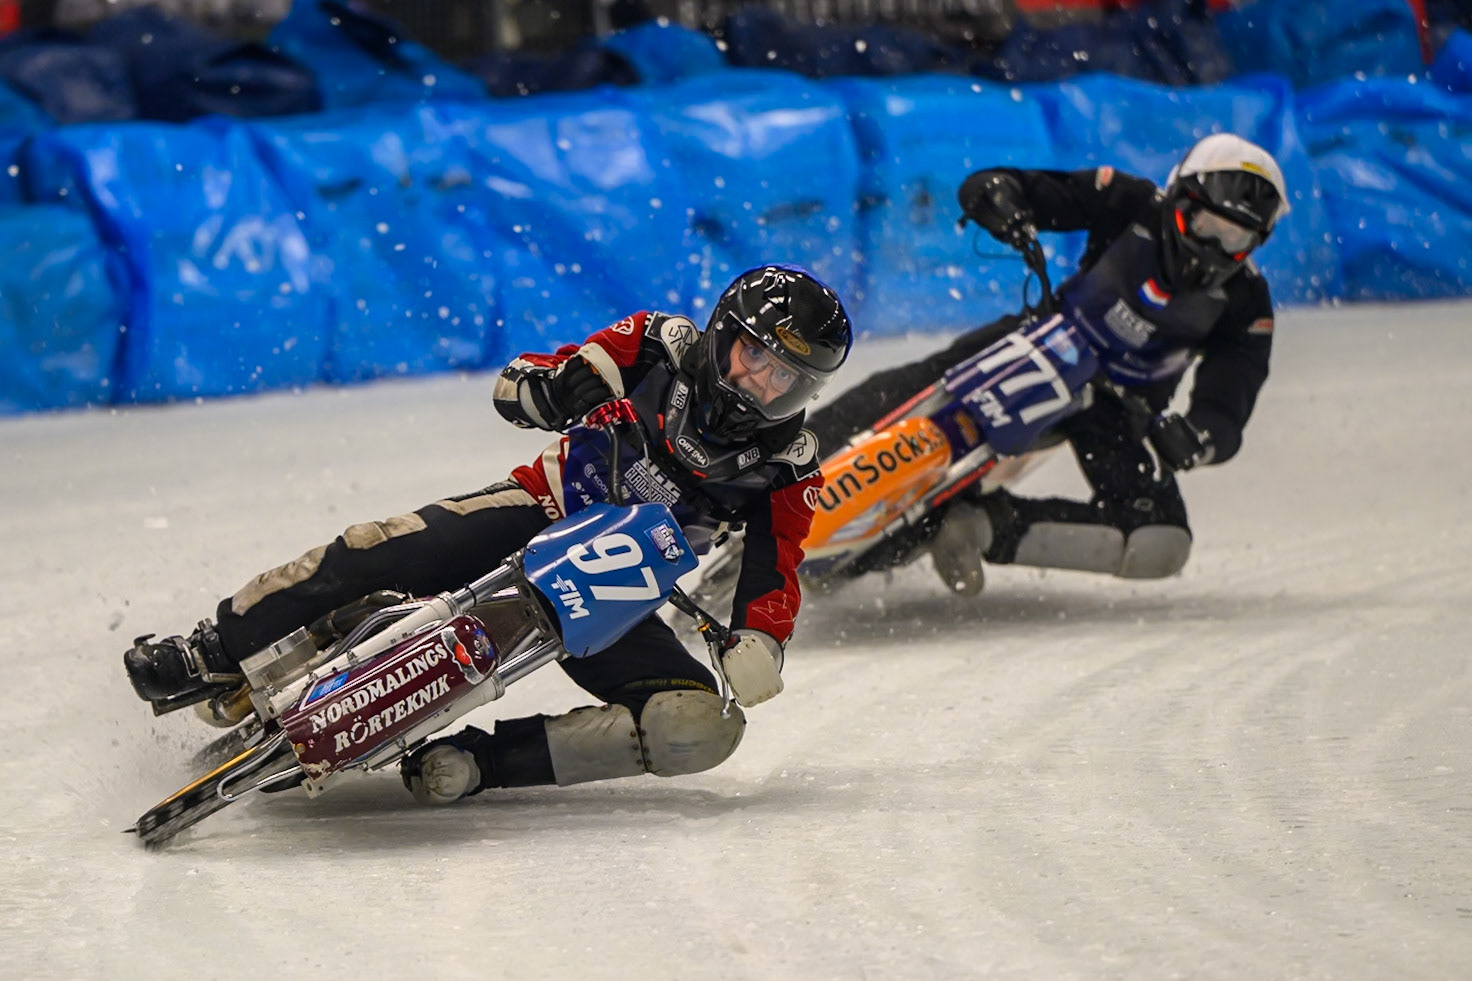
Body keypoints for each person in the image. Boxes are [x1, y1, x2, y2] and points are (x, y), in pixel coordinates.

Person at [124, 264, 853, 804]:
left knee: (700, 725)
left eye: (785, 379)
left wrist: (759, 641)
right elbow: (532, 376)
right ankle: (212, 652)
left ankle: (482, 762)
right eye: (754, 356)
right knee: (380, 543)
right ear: (725, 333)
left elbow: (774, 573)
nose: (759, 384)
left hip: (619, 594)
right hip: (539, 507)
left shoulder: (789, 466)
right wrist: (550, 389)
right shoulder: (659, 341)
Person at [806, 133, 1288, 594]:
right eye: (1204, 225)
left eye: (1234, 237)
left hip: (1118, 409)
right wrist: (999, 199)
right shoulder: (1127, 200)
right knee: (909, 389)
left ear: (1257, 242)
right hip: (1043, 340)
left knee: (1159, 540)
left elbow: (1227, 404)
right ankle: (776, 467)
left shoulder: (1246, 306)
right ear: (1176, 198)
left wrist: (1196, 438)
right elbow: (1023, 188)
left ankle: (976, 526)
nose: (1212, 247)